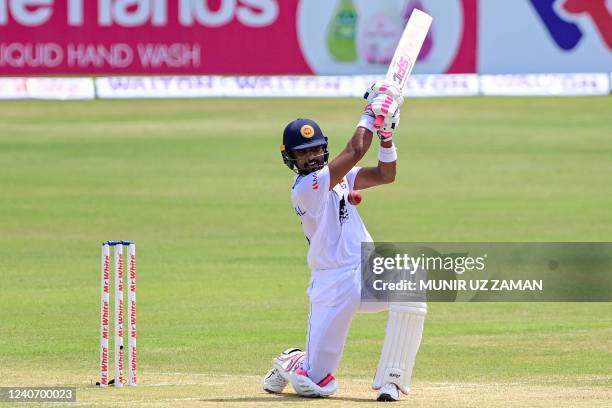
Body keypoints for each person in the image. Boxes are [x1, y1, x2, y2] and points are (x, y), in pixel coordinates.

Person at [262, 81, 427, 402]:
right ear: (290, 159)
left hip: (365, 269)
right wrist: (371, 112)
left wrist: (387, 136)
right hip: (332, 283)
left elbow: (384, 175)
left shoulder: (338, 176)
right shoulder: (306, 188)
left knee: (412, 287)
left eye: (315, 149)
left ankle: (392, 380)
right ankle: (291, 362)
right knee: (317, 386)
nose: (311, 156)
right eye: (303, 152)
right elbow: (354, 151)